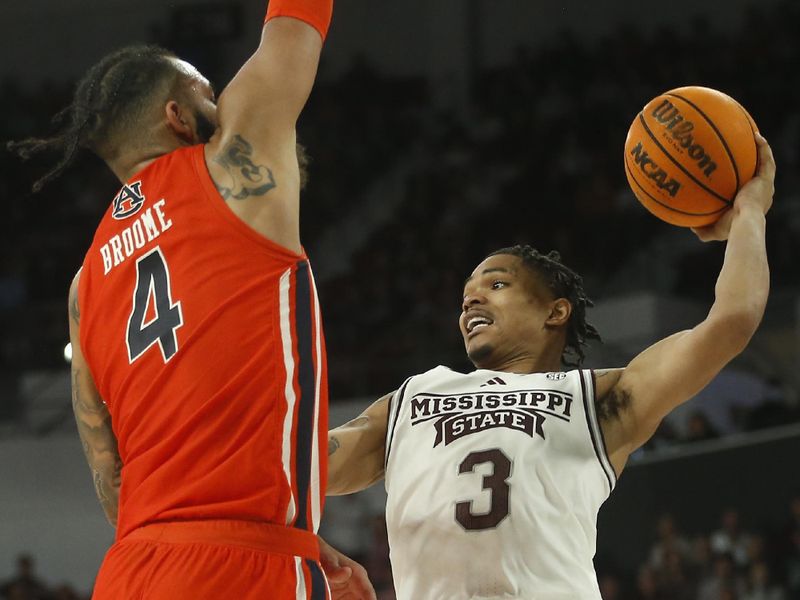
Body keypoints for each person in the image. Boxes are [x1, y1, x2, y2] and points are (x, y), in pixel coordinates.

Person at [9, 1, 373, 598]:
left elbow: (109, 473)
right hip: (242, 566)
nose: (223, 104)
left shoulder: (85, 284)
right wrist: (262, 538)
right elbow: (292, 30)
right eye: (210, 94)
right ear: (179, 116)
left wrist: (295, 534)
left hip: (132, 570)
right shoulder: (232, 167)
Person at [327, 137, 775, 598]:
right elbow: (297, 467)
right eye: (466, 295)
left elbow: (732, 320)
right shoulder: (413, 398)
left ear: (555, 312)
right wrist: (313, 547)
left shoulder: (596, 399)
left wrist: (748, 215)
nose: (471, 299)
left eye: (496, 284)